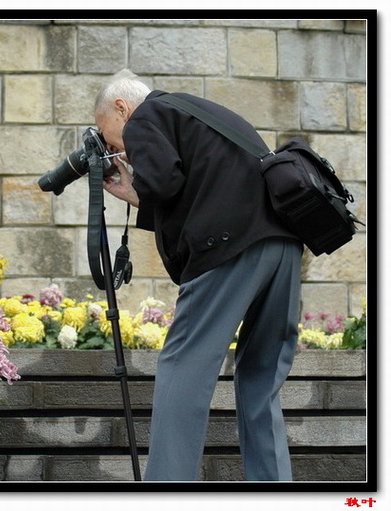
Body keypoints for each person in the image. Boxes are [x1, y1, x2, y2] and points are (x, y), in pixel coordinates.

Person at [94, 69, 303, 481]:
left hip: (229, 247)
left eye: (111, 136)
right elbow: (189, 184)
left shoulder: (148, 113)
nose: (116, 147)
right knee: (261, 377)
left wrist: (133, 174)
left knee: (182, 365)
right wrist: (133, 194)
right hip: (283, 246)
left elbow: (164, 183)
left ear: (121, 108)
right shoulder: (199, 112)